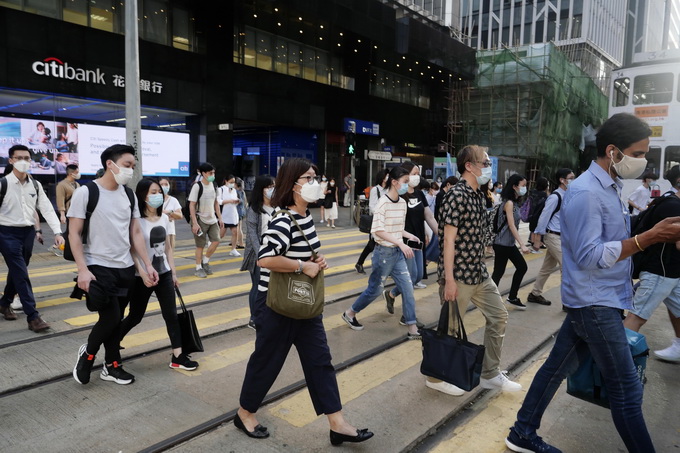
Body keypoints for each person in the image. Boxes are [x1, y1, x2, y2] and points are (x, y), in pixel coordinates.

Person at [505, 113, 680, 453]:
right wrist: (648, 238)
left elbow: (612, 235)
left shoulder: (610, 186)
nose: (643, 162)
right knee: (627, 389)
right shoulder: (586, 192)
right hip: (594, 302)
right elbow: (589, 255)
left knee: (555, 369)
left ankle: (522, 432)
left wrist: (652, 229)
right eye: (639, 153)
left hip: (601, 298)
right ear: (613, 151)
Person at [235, 158, 373, 446]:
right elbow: (265, 259)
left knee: (320, 361)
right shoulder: (283, 218)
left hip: (302, 303)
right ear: (294, 184)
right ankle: (245, 412)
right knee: (267, 361)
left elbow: (302, 252)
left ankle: (337, 424)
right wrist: (301, 266)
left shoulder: (304, 215)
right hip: (275, 305)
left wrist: (314, 260)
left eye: (315, 177)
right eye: (309, 178)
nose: (316, 182)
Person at [428, 145, 521, 397]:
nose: (488, 167)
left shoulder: (478, 194)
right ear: (468, 165)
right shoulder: (456, 195)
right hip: (458, 275)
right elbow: (447, 240)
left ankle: (490, 373)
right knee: (449, 328)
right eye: (484, 162)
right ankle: (435, 378)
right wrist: (449, 280)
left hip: (478, 272)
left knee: (499, 316)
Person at [69, 144, 159, 385]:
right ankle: (87, 355)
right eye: (127, 165)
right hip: (97, 265)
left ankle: (112, 366)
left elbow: (136, 233)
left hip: (125, 267)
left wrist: (146, 265)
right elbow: (74, 234)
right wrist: (82, 270)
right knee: (110, 318)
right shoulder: (86, 192)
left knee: (116, 319)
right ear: (111, 164)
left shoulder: (128, 195)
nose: (131, 170)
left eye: (133, 166)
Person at [119, 178, 198, 371]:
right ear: (142, 195)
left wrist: (173, 273)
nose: (157, 196)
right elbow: (132, 250)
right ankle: (112, 340)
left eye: (159, 193)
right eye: (153, 192)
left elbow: (168, 248)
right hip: (142, 277)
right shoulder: (135, 220)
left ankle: (178, 356)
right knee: (135, 316)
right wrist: (142, 272)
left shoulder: (164, 217)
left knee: (171, 314)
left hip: (163, 273)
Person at [342, 166, 422, 339]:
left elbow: (397, 229)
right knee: (375, 290)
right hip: (383, 254)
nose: (407, 186)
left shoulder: (402, 203)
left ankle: (412, 327)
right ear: (394, 182)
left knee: (408, 289)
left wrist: (411, 237)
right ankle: (350, 313)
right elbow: (378, 230)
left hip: (397, 254)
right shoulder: (382, 203)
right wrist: (401, 244)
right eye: (405, 182)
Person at [0, 145, 64, 332]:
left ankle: (4, 303)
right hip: (6, 233)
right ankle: (33, 317)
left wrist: (58, 232)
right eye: (19, 158)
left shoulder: (34, 185)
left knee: (17, 271)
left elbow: (45, 208)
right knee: (21, 273)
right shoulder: (3, 183)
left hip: (27, 233)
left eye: (27, 158)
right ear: (11, 160)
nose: (24, 161)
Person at [623, 165, 680, 360]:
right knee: (636, 316)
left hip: (672, 272)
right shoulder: (673, 206)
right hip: (660, 271)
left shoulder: (667, 200)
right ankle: (616, 364)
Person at [383, 161, 439, 319]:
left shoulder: (420, 194)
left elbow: (428, 216)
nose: (417, 177)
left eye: (417, 173)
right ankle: (408, 317)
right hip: (404, 242)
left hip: (418, 241)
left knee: (419, 275)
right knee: (411, 277)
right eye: (414, 173)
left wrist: (440, 234)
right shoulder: (398, 195)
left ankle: (392, 294)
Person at [526, 168, 574, 306]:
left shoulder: (569, 195)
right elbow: (544, 217)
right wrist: (538, 238)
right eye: (571, 177)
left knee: (547, 268)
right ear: (562, 180)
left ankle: (535, 294)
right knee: (566, 266)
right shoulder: (555, 197)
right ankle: (568, 301)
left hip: (563, 237)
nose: (573, 180)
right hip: (553, 236)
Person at [240, 174, 275, 330]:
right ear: (261, 189)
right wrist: (260, 253)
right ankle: (254, 317)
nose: (271, 189)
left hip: (275, 252)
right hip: (258, 253)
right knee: (258, 285)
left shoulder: (278, 205)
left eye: (273, 186)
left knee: (270, 285)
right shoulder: (254, 208)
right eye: (268, 187)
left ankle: (267, 313)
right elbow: (252, 233)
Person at [491, 174, 531, 310]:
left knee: (521, 267)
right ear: (514, 186)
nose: (525, 188)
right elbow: (511, 225)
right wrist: (522, 244)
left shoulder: (514, 203)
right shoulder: (508, 203)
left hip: (507, 243)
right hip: (502, 243)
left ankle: (512, 297)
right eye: (523, 185)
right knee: (498, 272)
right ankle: (489, 300)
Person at [189, 163, 223, 278]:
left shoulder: (214, 185)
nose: (213, 175)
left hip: (212, 219)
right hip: (200, 220)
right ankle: (198, 268)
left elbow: (216, 203)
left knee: (216, 240)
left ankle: (205, 261)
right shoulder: (197, 186)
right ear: (203, 173)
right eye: (210, 173)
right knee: (200, 245)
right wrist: (194, 223)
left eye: (213, 172)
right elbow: (192, 205)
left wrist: (220, 218)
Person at [355, 169, 388, 274]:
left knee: (376, 244)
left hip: (387, 221)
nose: (389, 178)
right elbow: (372, 206)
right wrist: (380, 215)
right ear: (383, 178)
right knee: (373, 244)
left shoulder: (389, 190)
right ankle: (360, 263)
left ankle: (360, 263)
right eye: (387, 176)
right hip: (377, 220)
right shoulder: (375, 190)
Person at [218, 174, 241, 257]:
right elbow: (218, 201)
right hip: (224, 214)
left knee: (235, 232)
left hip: (233, 214)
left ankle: (233, 249)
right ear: (226, 181)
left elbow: (234, 201)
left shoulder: (234, 190)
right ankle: (212, 243)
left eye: (234, 182)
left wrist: (236, 201)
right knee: (221, 234)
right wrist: (230, 201)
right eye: (231, 182)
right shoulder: (221, 189)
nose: (232, 184)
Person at [159, 177, 183, 250]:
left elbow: (180, 215)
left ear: (169, 185)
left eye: (166, 184)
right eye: (161, 184)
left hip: (169, 231)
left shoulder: (173, 200)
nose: (164, 186)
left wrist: (170, 212)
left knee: (169, 255)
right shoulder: (154, 199)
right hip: (157, 231)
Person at [526, 176, 549, 246]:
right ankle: (539, 243)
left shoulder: (532, 192)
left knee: (532, 228)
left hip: (531, 212)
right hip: (539, 213)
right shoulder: (544, 194)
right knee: (539, 227)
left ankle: (532, 241)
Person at [235, 177, 247, 249]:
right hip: (242, 211)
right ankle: (238, 242)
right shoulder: (242, 191)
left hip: (237, 211)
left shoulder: (236, 192)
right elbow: (245, 202)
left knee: (237, 228)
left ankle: (240, 243)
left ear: (236, 184)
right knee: (239, 227)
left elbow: (240, 201)